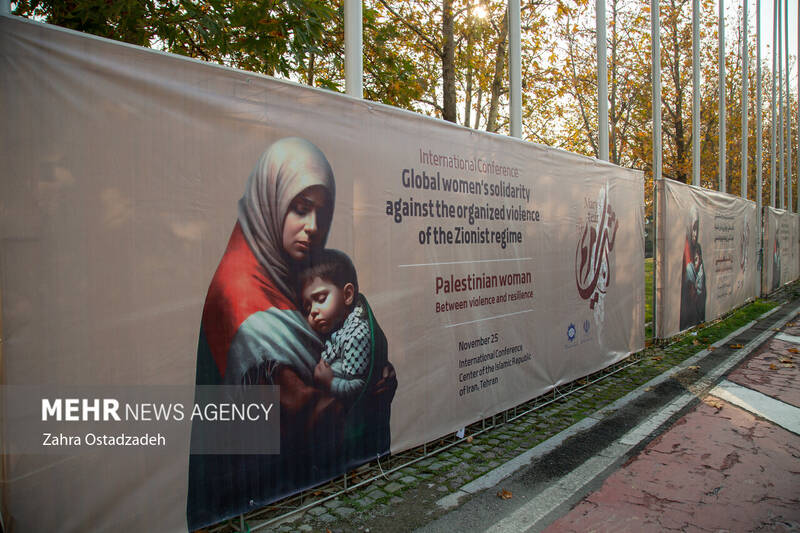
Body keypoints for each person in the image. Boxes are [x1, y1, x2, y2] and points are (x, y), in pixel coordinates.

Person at [187, 138, 396, 530]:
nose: (314, 227)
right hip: (248, 499)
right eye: (301, 209)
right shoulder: (241, 299)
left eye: (323, 213)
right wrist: (367, 391)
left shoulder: (284, 279)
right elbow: (312, 418)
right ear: (270, 202)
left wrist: (371, 380)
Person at [298, 249, 379, 404]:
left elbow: (359, 387)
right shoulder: (338, 329)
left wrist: (329, 383)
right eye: (308, 308)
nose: (313, 311)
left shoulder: (356, 335)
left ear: (347, 295)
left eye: (321, 299)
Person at [680, 207, 706, 330]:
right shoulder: (685, 257)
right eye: (693, 229)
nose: (695, 234)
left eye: (697, 228)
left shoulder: (698, 251)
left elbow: (701, 290)